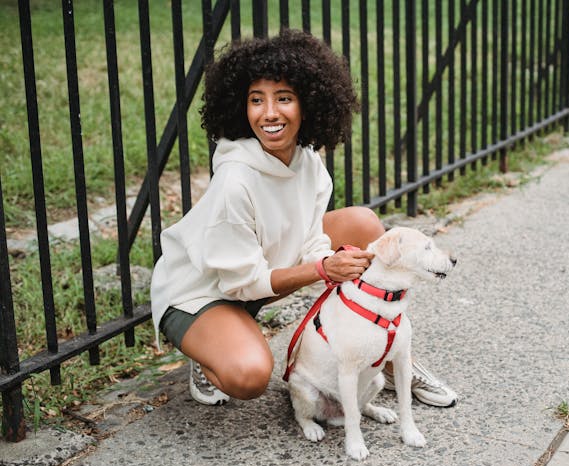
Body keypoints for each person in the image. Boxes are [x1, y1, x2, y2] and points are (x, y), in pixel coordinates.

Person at [150, 29, 456, 408]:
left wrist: (332, 265)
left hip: (263, 271)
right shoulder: (235, 180)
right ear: (241, 108)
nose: (269, 113)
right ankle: (207, 350)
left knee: (364, 224)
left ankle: (392, 359)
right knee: (248, 376)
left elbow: (311, 242)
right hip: (203, 292)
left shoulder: (308, 161)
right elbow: (243, 282)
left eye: (284, 99)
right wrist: (327, 269)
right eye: (256, 100)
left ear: (308, 104)